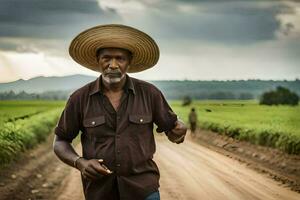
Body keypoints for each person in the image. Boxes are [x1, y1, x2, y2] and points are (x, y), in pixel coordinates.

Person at [53, 24, 187, 200]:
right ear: (98, 60)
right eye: (106, 58)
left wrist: (179, 130)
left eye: (120, 58)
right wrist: (80, 163)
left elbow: (174, 133)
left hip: (143, 188)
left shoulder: (150, 93)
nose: (113, 65)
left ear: (129, 62)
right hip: (100, 190)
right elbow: (60, 141)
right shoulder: (79, 98)